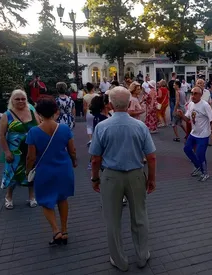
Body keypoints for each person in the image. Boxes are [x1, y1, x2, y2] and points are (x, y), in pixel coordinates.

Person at [89, 86, 156, 272]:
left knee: (112, 219)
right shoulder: (140, 126)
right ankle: (142, 256)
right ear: (128, 104)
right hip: (135, 174)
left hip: (111, 176)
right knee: (140, 217)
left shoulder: (102, 127)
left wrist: (95, 179)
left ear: (110, 104)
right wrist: (151, 179)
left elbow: (95, 158)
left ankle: (119, 260)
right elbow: (151, 157)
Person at [25, 98, 76, 245]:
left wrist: (28, 171)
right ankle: (65, 230)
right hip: (63, 168)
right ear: (56, 111)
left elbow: (31, 156)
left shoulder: (33, 132)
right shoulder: (65, 129)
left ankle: (56, 231)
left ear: (39, 113)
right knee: (63, 198)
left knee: (46, 201)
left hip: (44, 170)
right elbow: (72, 150)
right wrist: (74, 161)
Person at [0, 90, 40, 209]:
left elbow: (39, 127)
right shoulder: (7, 115)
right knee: (12, 174)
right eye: (17, 99)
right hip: (14, 151)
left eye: (23, 98)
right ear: (12, 100)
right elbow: (1, 135)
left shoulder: (32, 111)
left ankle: (32, 197)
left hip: (31, 150)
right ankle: (9, 197)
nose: (21, 101)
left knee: (31, 172)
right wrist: (6, 151)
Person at [177, 87, 212, 182]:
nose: (193, 96)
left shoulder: (205, 105)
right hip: (193, 133)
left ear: (200, 95)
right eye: (192, 93)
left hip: (203, 135)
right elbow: (188, 120)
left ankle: (205, 173)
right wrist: (181, 115)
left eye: (195, 94)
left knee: (200, 154)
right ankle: (198, 166)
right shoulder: (190, 104)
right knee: (187, 149)